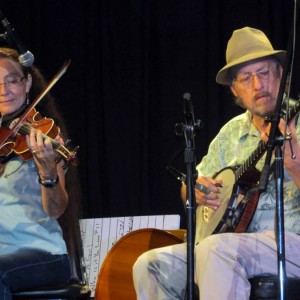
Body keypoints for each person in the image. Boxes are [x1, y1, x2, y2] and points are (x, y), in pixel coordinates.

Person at [132, 27, 300, 299]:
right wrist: (195, 191)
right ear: (235, 88)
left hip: (292, 243)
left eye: (264, 73)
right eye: (246, 78)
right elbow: (191, 187)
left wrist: (295, 162)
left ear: (280, 75)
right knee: (150, 265)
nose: (258, 86)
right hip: (234, 242)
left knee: (217, 248)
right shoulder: (230, 134)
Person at [0, 47, 83, 299]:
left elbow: (57, 209)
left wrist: (48, 171)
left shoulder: (42, 134)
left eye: (11, 81)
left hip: (42, 254)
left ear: (27, 84)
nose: (3, 90)